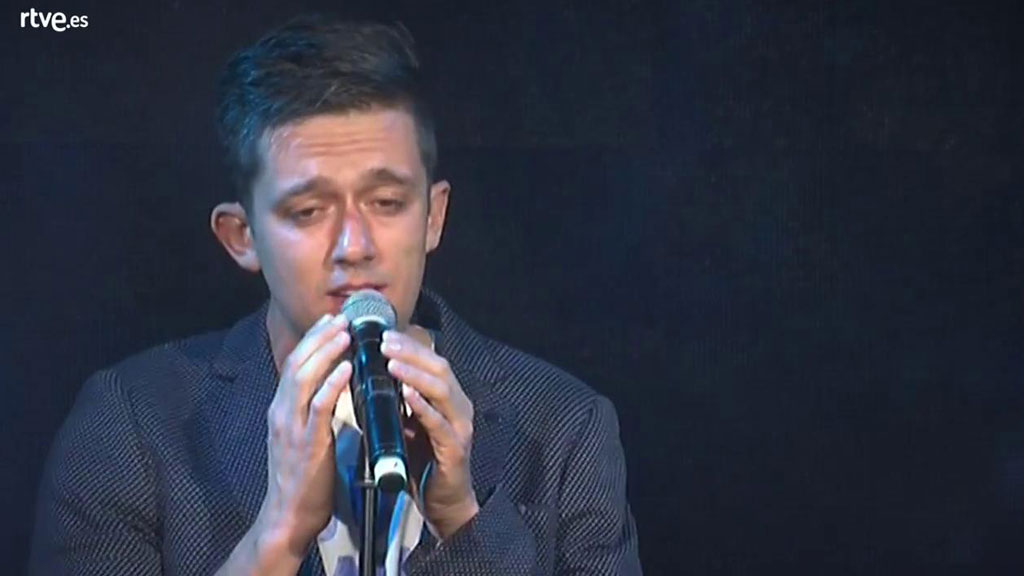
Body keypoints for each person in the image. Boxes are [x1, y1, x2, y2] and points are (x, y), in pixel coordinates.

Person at [30, 14, 642, 576]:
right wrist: (278, 534)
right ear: (241, 236)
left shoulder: (565, 426)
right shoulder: (131, 422)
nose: (354, 245)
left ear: (433, 217)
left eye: (387, 202)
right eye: (308, 210)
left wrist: (460, 520)